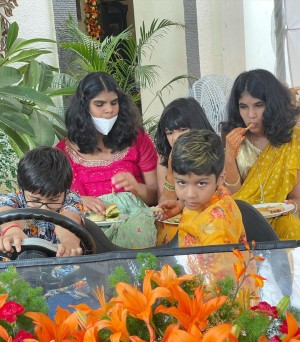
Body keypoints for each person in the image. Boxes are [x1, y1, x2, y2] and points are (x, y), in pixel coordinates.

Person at [56, 71, 158, 249]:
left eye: (114, 102)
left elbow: (155, 196)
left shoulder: (137, 139)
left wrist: (135, 187)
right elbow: (51, 203)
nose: (109, 110)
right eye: (99, 104)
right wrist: (77, 200)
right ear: (83, 107)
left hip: (139, 237)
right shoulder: (63, 153)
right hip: (89, 239)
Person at [221, 68, 300, 239]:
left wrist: (291, 206)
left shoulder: (292, 139)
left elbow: (296, 197)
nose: (251, 115)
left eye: (259, 105)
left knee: (292, 227)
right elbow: (234, 197)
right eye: (243, 107)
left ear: (272, 105)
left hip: (280, 216)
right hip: (242, 217)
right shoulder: (233, 137)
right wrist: (229, 155)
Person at [157, 129, 246, 246]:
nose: (190, 194)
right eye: (182, 182)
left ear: (220, 178)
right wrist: (181, 206)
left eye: (201, 184)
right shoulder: (216, 193)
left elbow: (216, 263)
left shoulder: (215, 225)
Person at [0, 147, 84, 257]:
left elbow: (71, 218)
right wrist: (12, 230)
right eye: (35, 200)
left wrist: (69, 243)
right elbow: (5, 211)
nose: (44, 209)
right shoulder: (12, 199)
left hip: (57, 264)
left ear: (65, 190)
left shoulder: (71, 198)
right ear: (22, 189)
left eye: (53, 200)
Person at [154, 97, 214, 245]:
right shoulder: (164, 157)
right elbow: (165, 205)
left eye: (182, 130)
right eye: (169, 132)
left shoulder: (213, 152)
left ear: (197, 127)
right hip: (176, 221)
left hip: (209, 216)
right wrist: (170, 171)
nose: (175, 138)